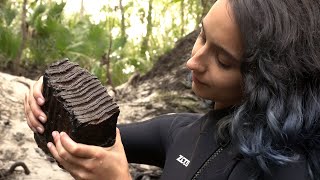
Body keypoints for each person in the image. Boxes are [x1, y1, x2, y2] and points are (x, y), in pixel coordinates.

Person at [24, 0, 320, 179]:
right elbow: (83, 147)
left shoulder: (289, 169)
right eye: (202, 36)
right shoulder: (179, 130)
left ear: (268, 78)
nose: (193, 62)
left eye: (222, 60)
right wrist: (48, 102)